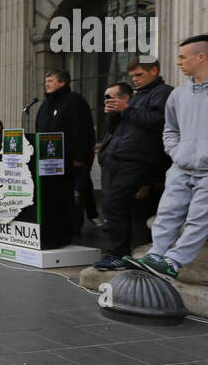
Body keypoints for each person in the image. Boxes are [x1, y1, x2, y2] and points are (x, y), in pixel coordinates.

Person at [124, 35, 208, 281]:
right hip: (181, 166)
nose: (178, 63)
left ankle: (174, 262)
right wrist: (176, 152)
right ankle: (156, 254)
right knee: (167, 212)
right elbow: (169, 129)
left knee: (199, 218)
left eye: (183, 57)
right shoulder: (179, 94)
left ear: (201, 56)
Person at [95, 61, 173, 270]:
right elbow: (116, 130)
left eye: (139, 75)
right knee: (115, 205)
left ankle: (119, 253)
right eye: (132, 77)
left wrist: (126, 109)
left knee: (114, 204)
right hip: (120, 157)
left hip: (139, 159)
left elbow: (159, 122)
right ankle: (121, 252)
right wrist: (113, 113)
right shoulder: (138, 96)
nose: (135, 80)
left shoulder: (163, 92)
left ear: (154, 71)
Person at [35, 69, 96, 244]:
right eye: (46, 81)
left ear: (62, 82)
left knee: (71, 197)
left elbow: (83, 130)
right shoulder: (45, 104)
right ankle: (51, 229)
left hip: (69, 162)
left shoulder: (74, 101)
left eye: (51, 81)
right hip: (47, 162)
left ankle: (70, 230)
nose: (47, 84)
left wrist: (79, 157)